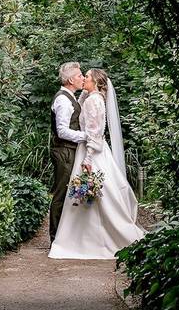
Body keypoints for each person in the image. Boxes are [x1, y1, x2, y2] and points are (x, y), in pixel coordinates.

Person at [48, 68, 145, 259]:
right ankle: (83, 237)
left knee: (97, 192)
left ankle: (91, 238)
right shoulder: (90, 98)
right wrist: (86, 92)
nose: (83, 78)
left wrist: (88, 157)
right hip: (87, 148)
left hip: (91, 151)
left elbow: (95, 132)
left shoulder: (94, 101)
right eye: (81, 76)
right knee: (90, 192)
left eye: (86, 76)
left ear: (95, 82)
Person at [49, 61, 87, 244]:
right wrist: (86, 136)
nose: (83, 78)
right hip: (63, 151)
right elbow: (62, 131)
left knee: (68, 192)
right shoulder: (63, 100)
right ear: (71, 80)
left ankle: (65, 235)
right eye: (80, 75)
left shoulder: (70, 97)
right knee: (61, 193)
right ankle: (55, 238)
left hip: (69, 150)